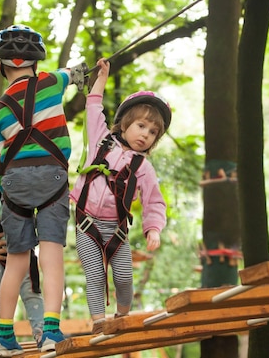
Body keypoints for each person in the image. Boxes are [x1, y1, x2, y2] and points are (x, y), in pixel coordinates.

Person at [0, 24, 87, 355]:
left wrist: (6, 196)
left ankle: (3, 338)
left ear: (2, 67)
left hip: (14, 182)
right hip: (51, 178)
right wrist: (87, 72)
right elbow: (73, 73)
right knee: (51, 255)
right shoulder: (51, 82)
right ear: (35, 63)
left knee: (16, 261)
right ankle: (50, 333)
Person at [69, 58, 171, 333]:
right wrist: (101, 78)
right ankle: (99, 322)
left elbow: (154, 201)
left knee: (124, 277)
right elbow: (93, 107)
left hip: (116, 229)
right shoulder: (101, 141)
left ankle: (122, 316)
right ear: (125, 124)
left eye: (153, 133)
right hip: (86, 223)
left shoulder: (144, 168)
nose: (146, 135)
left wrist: (153, 229)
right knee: (95, 275)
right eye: (141, 126)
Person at [0, 123, 44, 357]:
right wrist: (12, 207)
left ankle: (41, 333)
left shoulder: (21, 181)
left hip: (22, 246)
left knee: (31, 291)